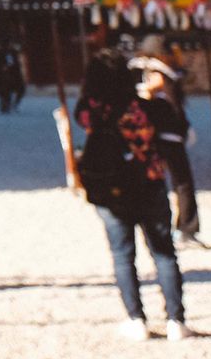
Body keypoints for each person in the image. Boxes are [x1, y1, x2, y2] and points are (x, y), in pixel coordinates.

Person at [74, 50, 191, 341]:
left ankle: (135, 318)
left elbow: (80, 115)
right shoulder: (149, 109)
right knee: (163, 253)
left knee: (123, 255)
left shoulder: (93, 111)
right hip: (149, 184)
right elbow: (179, 133)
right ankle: (176, 319)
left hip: (111, 189)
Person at [131, 35, 201, 245]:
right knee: (182, 182)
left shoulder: (156, 72)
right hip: (168, 135)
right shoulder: (160, 73)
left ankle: (177, 227)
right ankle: (186, 227)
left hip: (162, 134)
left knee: (169, 181)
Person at [0, 40, 26, 114]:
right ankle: (5, 107)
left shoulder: (14, 53)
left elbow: (16, 64)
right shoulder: (0, 53)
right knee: (5, 92)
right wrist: (3, 68)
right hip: (4, 76)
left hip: (15, 75)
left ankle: (13, 105)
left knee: (21, 90)